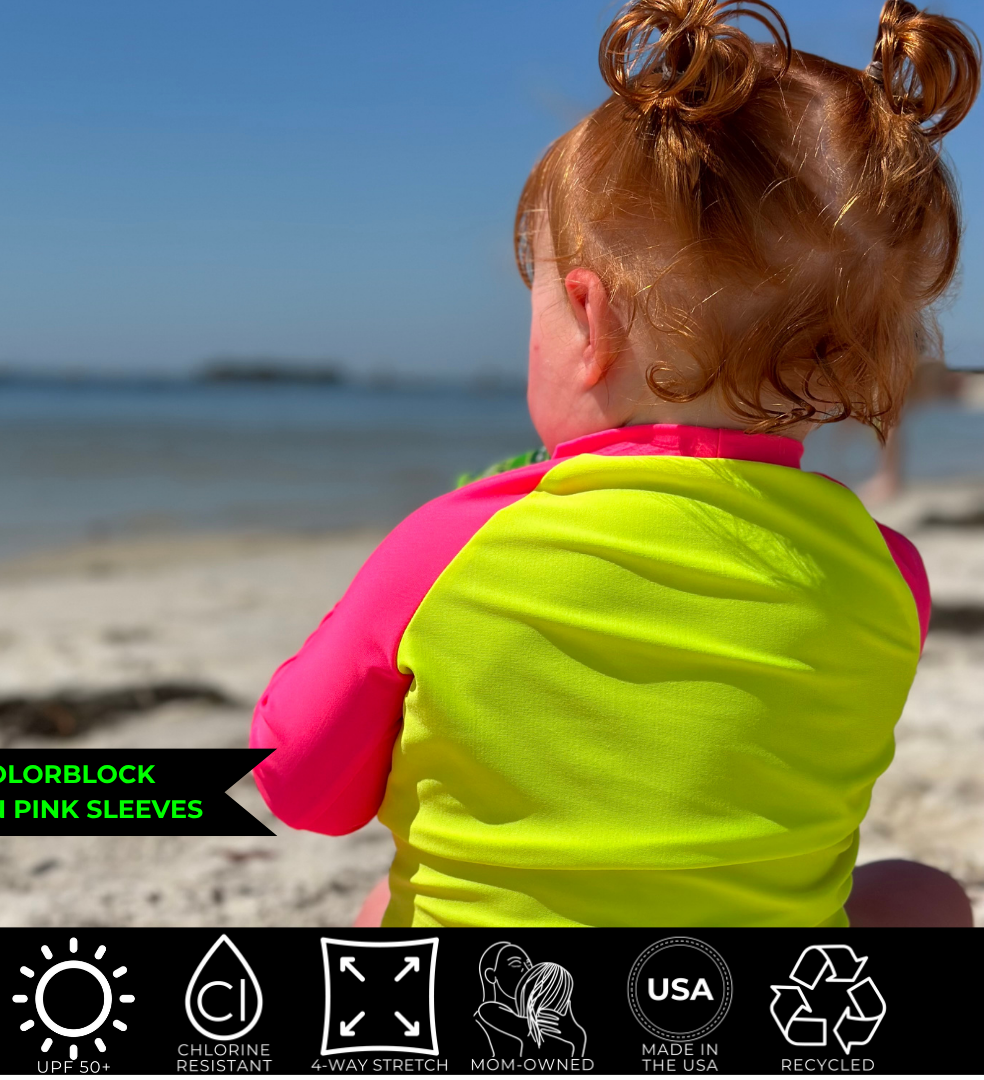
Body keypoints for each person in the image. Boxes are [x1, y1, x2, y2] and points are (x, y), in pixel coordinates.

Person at [250, 0, 979, 928]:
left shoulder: (450, 542)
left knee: (376, 910)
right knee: (925, 898)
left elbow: (299, 786)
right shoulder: (888, 578)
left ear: (589, 322)